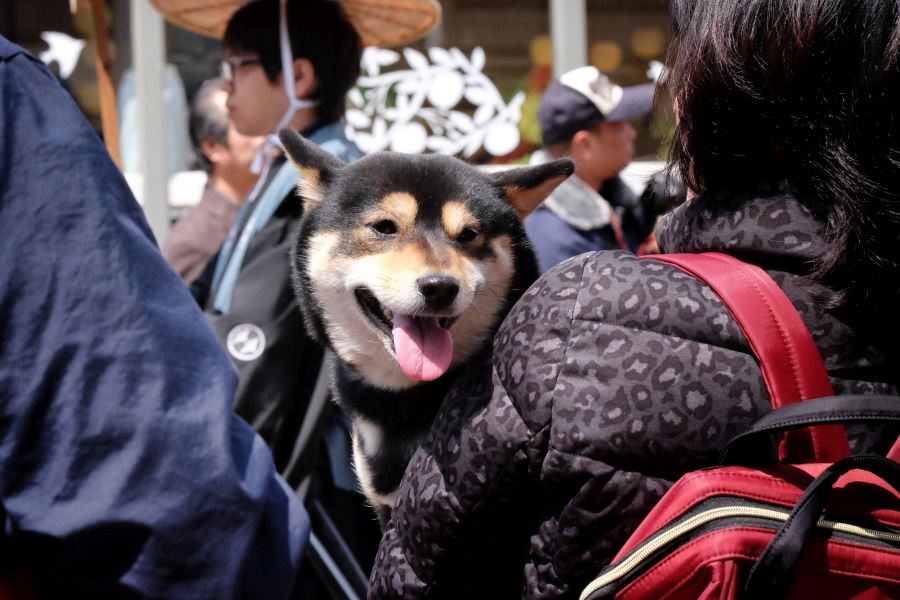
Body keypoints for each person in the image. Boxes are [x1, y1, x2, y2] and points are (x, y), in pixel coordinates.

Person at [369, 0, 900, 597]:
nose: (635, 131)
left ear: (707, 102)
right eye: (618, 125)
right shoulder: (567, 259)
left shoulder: (582, 314)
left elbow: (413, 576)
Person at [0, 36, 307, 598]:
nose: (227, 88)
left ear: (299, 76)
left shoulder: (309, 199)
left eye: (239, 67)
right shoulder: (216, 224)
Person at [525, 66, 658, 272]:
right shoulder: (556, 244)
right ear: (585, 145)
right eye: (619, 124)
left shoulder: (614, 202)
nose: (631, 133)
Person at [162, 78, 264, 282]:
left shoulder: (260, 210)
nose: (266, 136)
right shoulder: (193, 241)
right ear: (212, 147)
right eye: (245, 126)